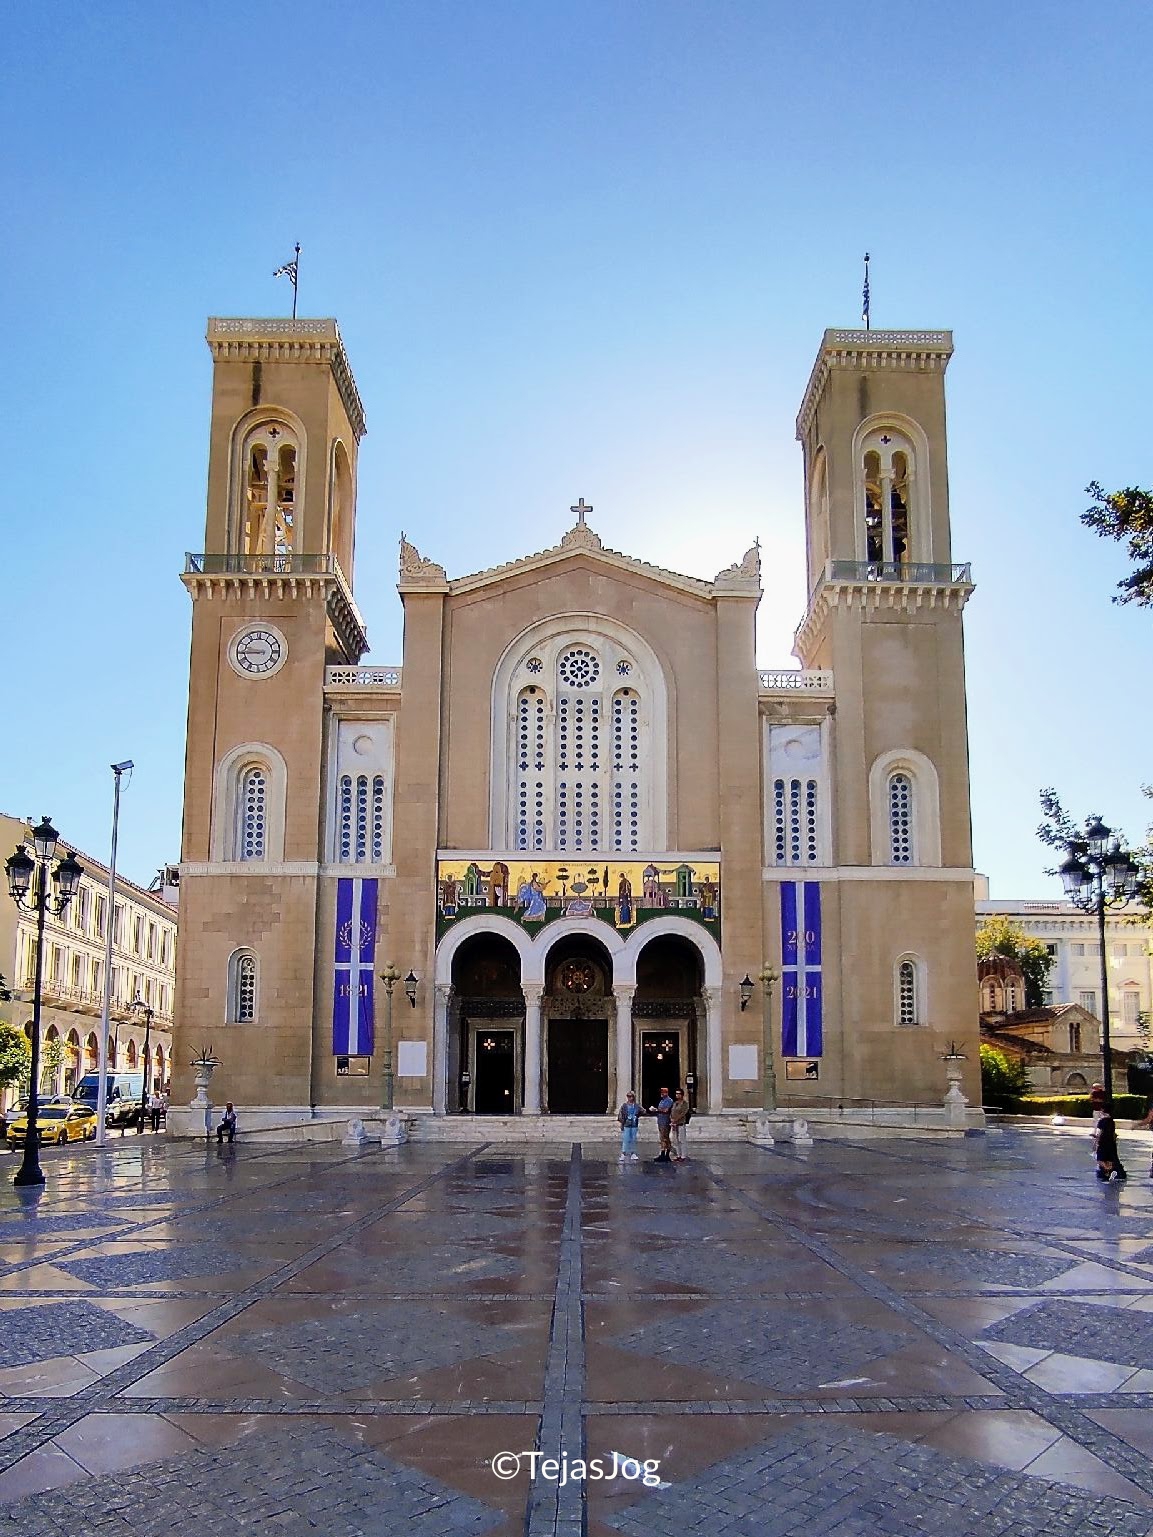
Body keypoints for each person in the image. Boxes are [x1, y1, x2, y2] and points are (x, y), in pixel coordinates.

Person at [1093, 1108, 1127, 1182]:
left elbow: (1100, 1133)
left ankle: (1107, 1174)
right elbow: (1113, 1134)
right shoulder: (1112, 1121)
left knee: (1100, 1159)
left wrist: (1095, 1143)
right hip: (1111, 1143)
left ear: (1103, 1111)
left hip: (1103, 1142)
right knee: (1109, 1160)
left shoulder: (1101, 1121)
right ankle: (1109, 1173)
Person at [650, 1086, 674, 1161]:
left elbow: (666, 1110)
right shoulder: (662, 1101)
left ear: (666, 1093)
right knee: (662, 1137)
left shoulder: (669, 1100)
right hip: (660, 1121)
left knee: (664, 1137)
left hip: (665, 1121)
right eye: (661, 1092)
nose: (661, 1094)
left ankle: (665, 1154)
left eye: (663, 1092)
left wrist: (656, 1110)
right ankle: (663, 1153)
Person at [617, 1091, 641, 1161]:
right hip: (626, 1124)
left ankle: (633, 1153)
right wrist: (622, 1121)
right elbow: (620, 1114)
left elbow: (643, 1111)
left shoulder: (636, 1105)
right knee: (626, 1139)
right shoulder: (624, 1105)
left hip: (634, 1124)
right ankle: (623, 1153)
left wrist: (637, 1116)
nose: (630, 1098)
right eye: (629, 1096)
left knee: (633, 1139)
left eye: (631, 1096)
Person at [670, 1088, 691, 1161]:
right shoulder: (675, 1103)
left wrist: (676, 1120)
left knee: (682, 1140)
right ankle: (678, 1155)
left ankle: (683, 1155)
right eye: (676, 1094)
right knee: (676, 1140)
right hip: (674, 1124)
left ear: (682, 1095)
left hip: (680, 1123)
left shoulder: (684, 1103)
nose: (677, 1095)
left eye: (679, 1094)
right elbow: (672, 1112)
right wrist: (672, 1119)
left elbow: (683, 1113)